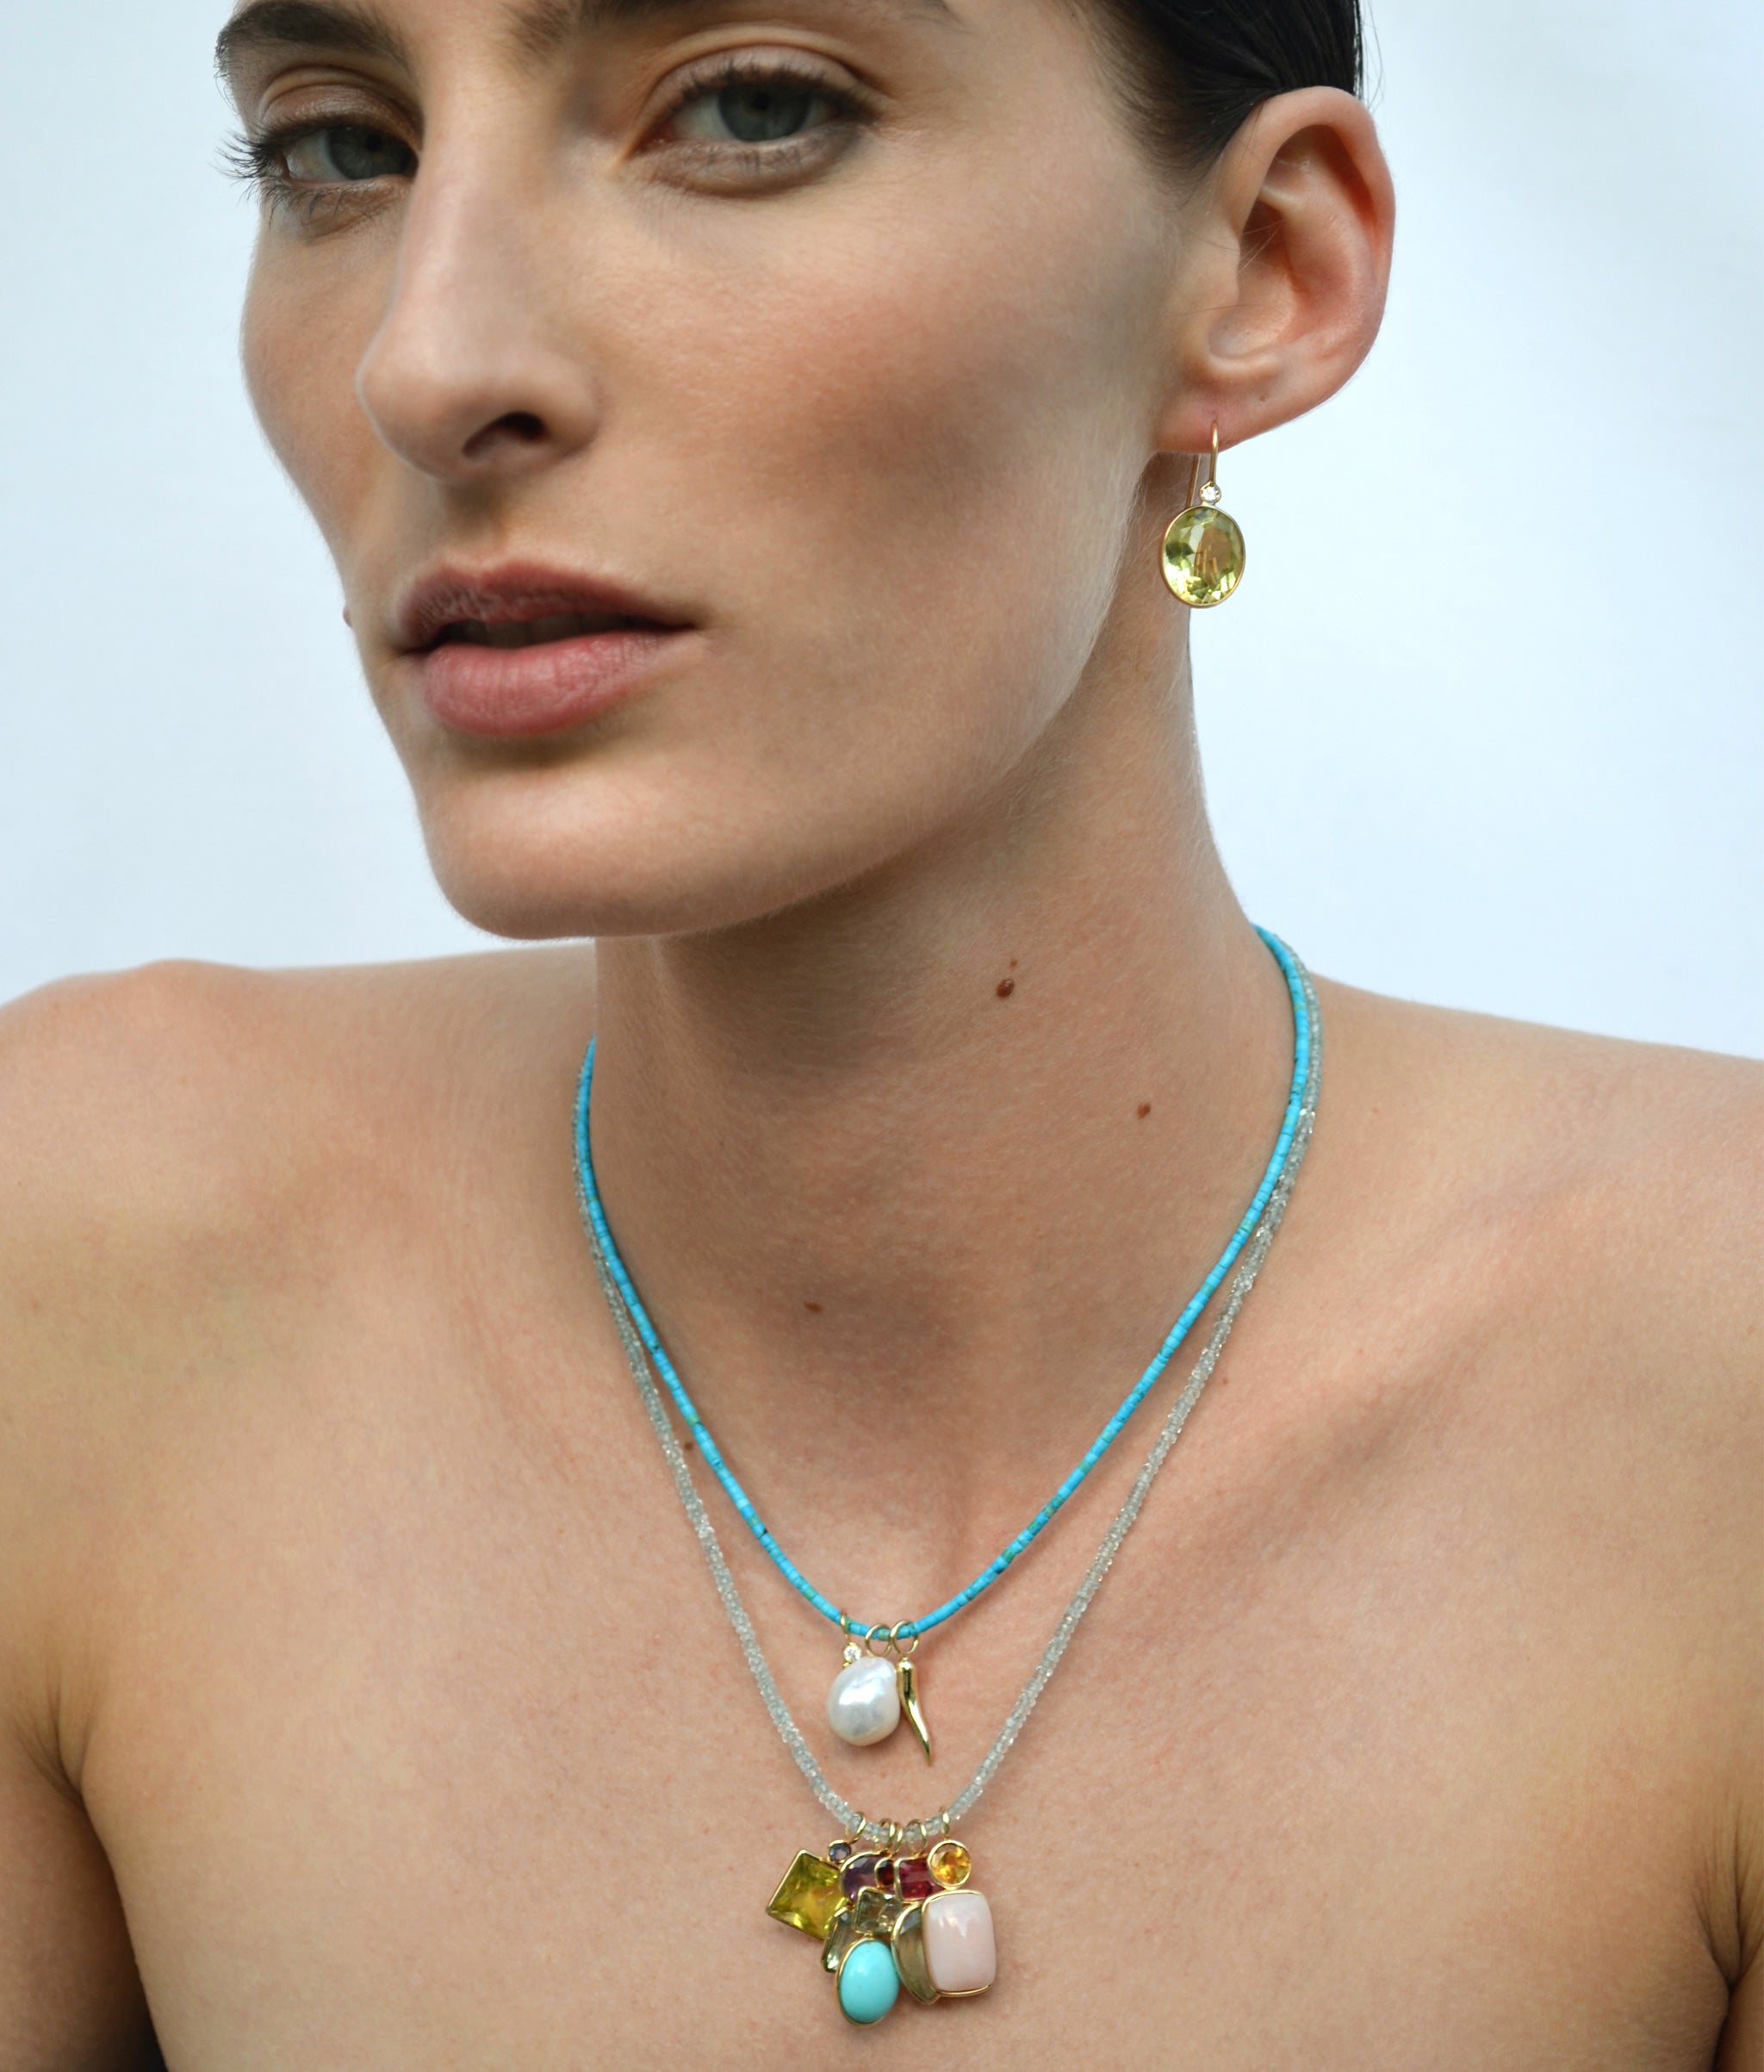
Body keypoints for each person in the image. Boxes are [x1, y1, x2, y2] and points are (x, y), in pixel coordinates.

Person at [1, 0, 1757, 2062]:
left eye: (748, 109)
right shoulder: (82, 1290)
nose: (429, 361)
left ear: (1264, 268)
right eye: (335, 148)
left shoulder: (1707, 1427)